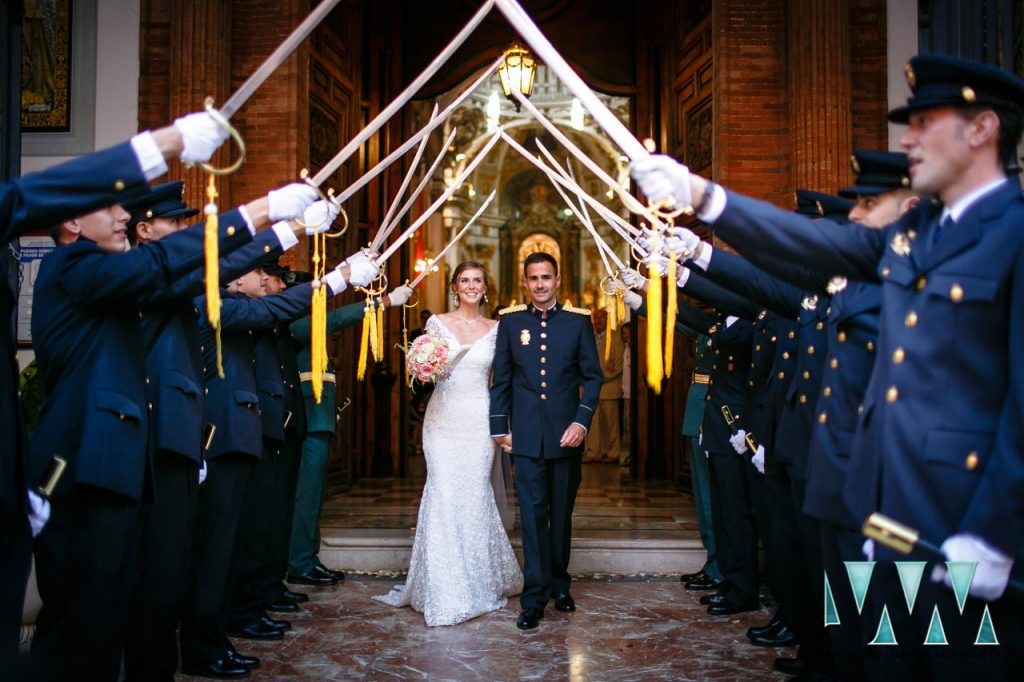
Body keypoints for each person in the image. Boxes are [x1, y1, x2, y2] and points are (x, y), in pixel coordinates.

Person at [632, 52, 1024, 679]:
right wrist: (702, 199)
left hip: (964, 528)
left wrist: (995, 531)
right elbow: (814, 246)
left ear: (982, 129)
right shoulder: (918, 237)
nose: (910, 138)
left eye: (925, 120)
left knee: (954, 668)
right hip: (887, 510)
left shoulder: (1013, 234)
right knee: (878, 665)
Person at [0, 108, 227, 669]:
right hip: (81, 465)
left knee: (101, 625)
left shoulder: (102, 273)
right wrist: (255, 214)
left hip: (110, 465)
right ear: (72, 224)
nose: (123, 214)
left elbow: (177, 267)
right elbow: (165, 264)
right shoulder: (73, 269)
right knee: (80, 630)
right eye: (110, 205)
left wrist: (275, 230)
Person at [375, 261, 522, 626]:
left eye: (477, 281)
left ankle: (475, 581)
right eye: (464, 281)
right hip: (441, 420)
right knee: (441, 493)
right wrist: (426, 368)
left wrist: (503, 425)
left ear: (486, 288)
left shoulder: (497, 329)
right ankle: (442, 587)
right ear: (454, 287)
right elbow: (429, 370)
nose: (471, 286)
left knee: (472, 494)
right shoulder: (437, 323)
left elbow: (500, 381)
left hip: (477, 420)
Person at [489, 252, 604, 630]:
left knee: (561, 515)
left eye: (546, 277)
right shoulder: (511, 323)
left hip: (566, 436)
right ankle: (534, 597)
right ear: (525, 282)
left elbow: (593, 377)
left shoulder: (577, 323)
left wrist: (581, 422)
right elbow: (501, 380)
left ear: (558, 280)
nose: (540, 284)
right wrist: (499, 427)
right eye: (533, 278)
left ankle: (560, 584)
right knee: (534, 519)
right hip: (525, 438)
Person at [582, 308, 623, 463]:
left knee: (610, 424)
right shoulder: (589, 337)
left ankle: (613, 452)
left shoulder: (616, 338)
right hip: (591, 390)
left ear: (607, 320)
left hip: (609, 388)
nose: (598, 322)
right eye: (595, 319)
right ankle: (593, 452)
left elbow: (617, 366)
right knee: (592, 423)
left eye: (601, 318)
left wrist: (598, 378)